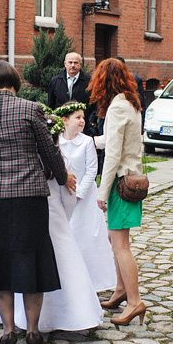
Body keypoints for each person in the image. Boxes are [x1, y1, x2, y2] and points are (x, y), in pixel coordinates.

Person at [0, 59, 70, 344]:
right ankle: (34, 330)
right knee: (32, 259)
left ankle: (8, 329)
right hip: (29, 195)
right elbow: (47, 150)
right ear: (15, 82)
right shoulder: (31, 109)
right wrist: (61, 177)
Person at [12, 115, 103, 333]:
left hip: (34, 218)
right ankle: (77, 315)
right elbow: (69, 196)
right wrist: (65, 216)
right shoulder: (62, 161)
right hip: (57, 217)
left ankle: (37, 319)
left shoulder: (29, 160)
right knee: (67, 263)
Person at [90, 58, 146, 326]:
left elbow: (112, 154)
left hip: (121, 183)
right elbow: (116, 141)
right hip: (130, 177)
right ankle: (122, 291)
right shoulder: (131, 103)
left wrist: (102, 193)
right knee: (117, 241)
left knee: (121, 245)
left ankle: (135, 302)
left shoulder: (117, 108)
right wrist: (88, 141)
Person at [56, 102, 115, 293]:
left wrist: (80, 193)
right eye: (77, 118)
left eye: (83, 117)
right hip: (64, 194)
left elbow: (92, 170)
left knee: (88, 236)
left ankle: (95, 280)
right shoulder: (57, 141)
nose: (82, 121)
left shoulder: (87, 142)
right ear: (65, 120)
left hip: (84, 196)